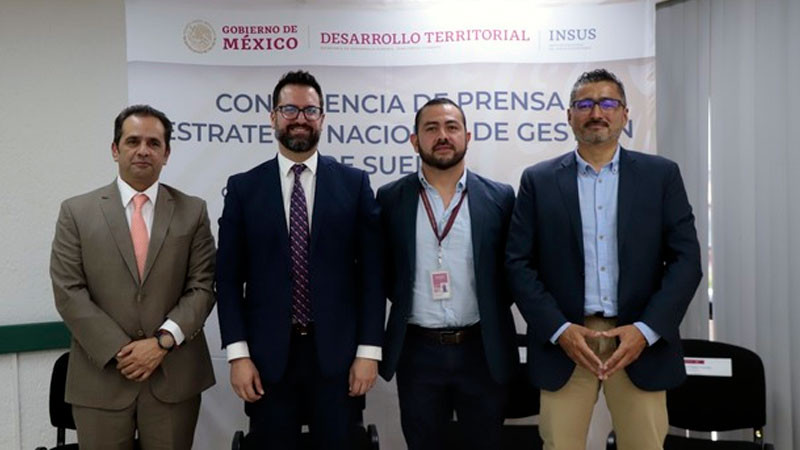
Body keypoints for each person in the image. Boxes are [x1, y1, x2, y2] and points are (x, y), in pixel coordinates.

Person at [506, 69, 703, 450]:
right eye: (585, 104)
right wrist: (559, 330)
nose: (597, 112)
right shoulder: (538, 180)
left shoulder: (661, 176)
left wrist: (646, 330)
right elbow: (518, 264)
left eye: (608, 103)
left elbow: (686, 260)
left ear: (625, 114)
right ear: (569, 116)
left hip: (638, 342)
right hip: (567, 342)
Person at [216, 70, 384, 449]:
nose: (300, 118)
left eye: (310, 110)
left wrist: (369, 351)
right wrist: (238, 355)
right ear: (273, 116)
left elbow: (373, 276)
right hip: (267, 360)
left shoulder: (354, 184)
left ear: (322, 118)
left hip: (339, 359)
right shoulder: (244, 188)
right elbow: (227, 280)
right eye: (289, 109)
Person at [50, 105, 216, 450]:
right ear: (115, 149)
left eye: (154, 143)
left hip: (173, 378)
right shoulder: (76, 212)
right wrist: (123, 351)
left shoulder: (193, 211)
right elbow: (68, 291)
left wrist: (161, 343)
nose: (143, 150)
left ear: (166, 154)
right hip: (101, 378)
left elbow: (202, 286)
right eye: (133, 141)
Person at [377, 98, 519, 450]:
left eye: (452, 127)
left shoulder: (500, 198)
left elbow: (513, 272)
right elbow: (385, 272)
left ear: (467, 137)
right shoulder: (390, 198)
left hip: (481, 349)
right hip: (418, 352)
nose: (443, 135)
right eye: (431, 128)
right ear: (415, 141)